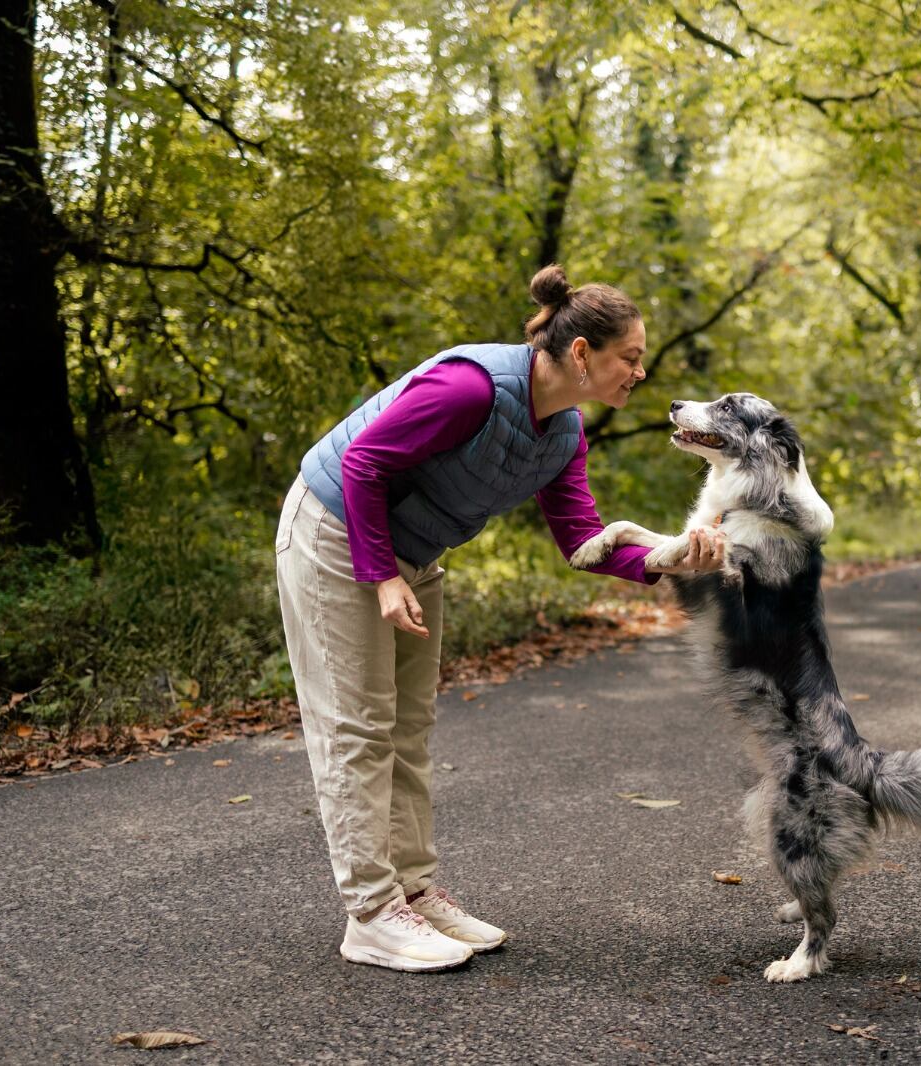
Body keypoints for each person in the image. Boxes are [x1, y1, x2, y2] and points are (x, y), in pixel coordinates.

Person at [274, 264, 727, 972]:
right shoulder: (471, 389)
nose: (640, 373)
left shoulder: (563, 434)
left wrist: (671, 559)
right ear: (582, 354)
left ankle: (414, 893)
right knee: (358, 727)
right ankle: (370, 914)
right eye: (631, 357)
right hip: (335, 531)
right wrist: (381, 576)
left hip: (412, 551)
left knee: (408, 728)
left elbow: (583, 543)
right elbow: (362, 464)